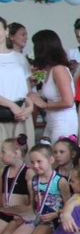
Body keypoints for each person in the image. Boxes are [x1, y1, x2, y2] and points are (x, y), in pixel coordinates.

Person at [25, 30, 77, 142]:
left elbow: (68, 102)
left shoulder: (59, 69)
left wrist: (44, 105)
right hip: (52, 119)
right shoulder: (50, 69)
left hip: (64, 122)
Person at [0, 16, 34, 144]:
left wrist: (30, 106)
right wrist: (11, 105)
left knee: (23, 151)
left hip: (21, 112)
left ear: (6, 31)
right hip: (3, 111)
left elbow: (27, 90)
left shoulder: (20, 58)